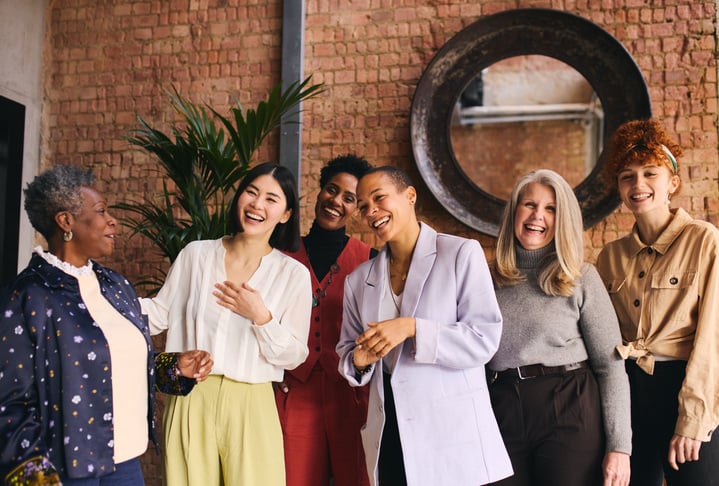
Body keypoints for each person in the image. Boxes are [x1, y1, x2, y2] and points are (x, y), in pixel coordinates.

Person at [0, 165, 213, 486]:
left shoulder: (115, 285)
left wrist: (174, 368)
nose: (112, 220)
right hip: (64, 468)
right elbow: (10, 400)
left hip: (126, 460)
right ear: (66, 221)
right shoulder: (28, 295)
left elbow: (108, 363)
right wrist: (35, 478)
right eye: (101, 211)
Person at [336, 165, 512, 486]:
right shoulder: (358, 281)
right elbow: (349, 355)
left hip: (452, 435)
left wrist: (412, 327)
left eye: (379, 198)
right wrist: (359, 361)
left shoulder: (460, 253)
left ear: (410, 196)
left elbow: (484, 339)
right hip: (391, 433)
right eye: (363, 207)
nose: (371, 211)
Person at [140, 162, 312, 486]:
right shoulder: (196, 255)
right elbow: (158, 313)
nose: (257, 204)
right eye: (251, 192)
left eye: (271, 199)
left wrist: (261, 316)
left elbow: (294, 356)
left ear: (286, 214)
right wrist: (100, 299)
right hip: (191, 399)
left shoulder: (293, 275)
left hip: (252, 404)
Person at [486, 169, 632, 486]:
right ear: (514, 211)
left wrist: (620, 448)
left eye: (550, 208)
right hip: (503, 407)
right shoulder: (484, 279)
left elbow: (611, 366)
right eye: (529, 204)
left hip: (570, 406)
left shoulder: (581, 276)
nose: (537, 215)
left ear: (562, 218)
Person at [596, 119, 719, 486]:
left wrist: (693, 419)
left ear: (673, 183)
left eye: (650, 173)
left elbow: (713, 339)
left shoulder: (704, 241)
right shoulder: (610, 257)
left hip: (685, 388)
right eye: (627, 176)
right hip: (630, 393)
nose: (638, 185)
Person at [276, 154, 375, 486]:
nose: (336, 201)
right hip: (295, 390)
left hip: (349, 394)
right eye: (332, 190)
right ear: (319, 192)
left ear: (357, 208)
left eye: (349, 198)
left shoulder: (370, 260)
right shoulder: (280, 254)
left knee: (357, 479)